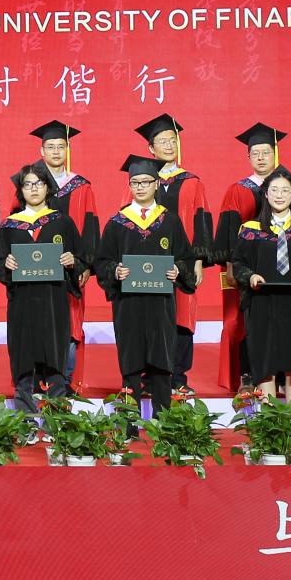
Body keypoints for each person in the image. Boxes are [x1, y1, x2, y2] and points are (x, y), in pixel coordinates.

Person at [94, 154, 196, 414]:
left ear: (156, 184)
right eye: (135, 182)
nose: (140, 187)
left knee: (161, 362)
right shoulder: (118, 223)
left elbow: (185, 257)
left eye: (146, 182)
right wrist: (115, 271)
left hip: (161, 304)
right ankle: (129, 424)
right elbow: (102, 261)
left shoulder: (170, 221)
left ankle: (163, 423)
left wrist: (178, 270)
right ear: (129, 185)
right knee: (130, 363)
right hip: (128, 305)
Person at [213, 123, 291, 393]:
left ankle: (284, 376)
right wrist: (232, 268)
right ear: (248, 157)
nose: (261, 157)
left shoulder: (290, 187)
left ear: (275, 153)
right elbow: (229, 234)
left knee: (282, 322)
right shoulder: (238, 189)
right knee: (246, 321)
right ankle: (247, 375)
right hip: (248, 269)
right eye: (255, 153)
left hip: (285, 269)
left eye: (266, 152)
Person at [0, 161, 83, 411]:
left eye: (39, 183)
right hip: (23, 304)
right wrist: (6, 263)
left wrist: (73, 261)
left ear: (47, 188)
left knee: (54, 358)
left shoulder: (62, 222)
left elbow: (82, 258)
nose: (33, 189)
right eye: (27, 184)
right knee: (23, 357)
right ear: (21, 190)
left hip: (54, 303)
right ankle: (25, 420)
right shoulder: (10, 226)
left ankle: (56, 420)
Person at [229, 167, 291, 400]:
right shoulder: (251, 231)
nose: (279, 195)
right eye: (274, 190)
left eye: (285, 190)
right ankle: (268, 420)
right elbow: (239, 263)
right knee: (265, 363)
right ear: (266, 194)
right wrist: (250, 276)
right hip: (263, 304)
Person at [137, 113, 211, 395]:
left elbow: (201, 220)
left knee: (182, 317)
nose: (169, 145)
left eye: (173, 140)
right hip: (148, 262)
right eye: (162, 141)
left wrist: (199, 260)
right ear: (151, 148)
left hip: (183, 261)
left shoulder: (192, 182)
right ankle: (149, 378)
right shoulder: (142, 181)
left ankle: (178, 377)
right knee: (150, 318)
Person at [29, 120, 97, 391]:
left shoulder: (81, 186)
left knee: (69, 321)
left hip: (69, 269)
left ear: (67, 149)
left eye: (61, 146)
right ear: (42, 150)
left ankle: (64, 381)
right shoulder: (30, 183)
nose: (56, 151)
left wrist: (85, 264)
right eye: (51, 147)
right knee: (36, 321)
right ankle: (35, 378)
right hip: (35, 268)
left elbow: (90, 227)